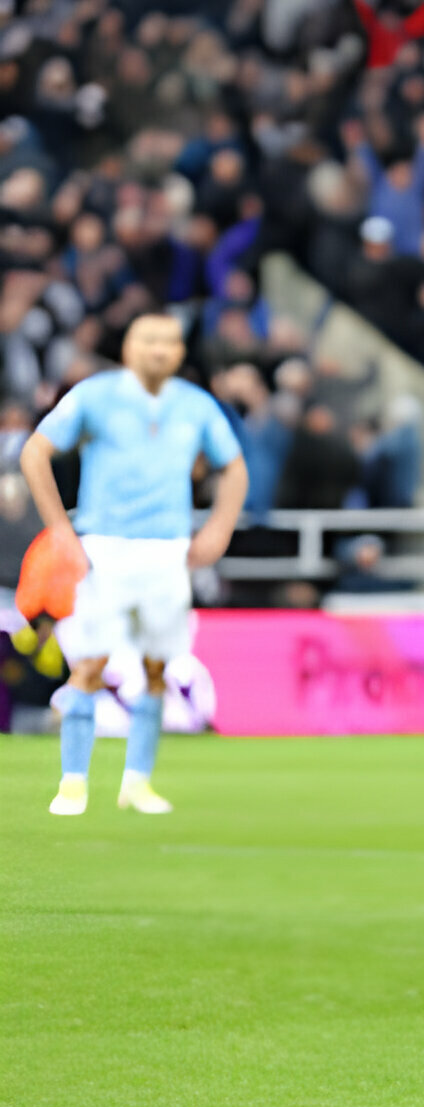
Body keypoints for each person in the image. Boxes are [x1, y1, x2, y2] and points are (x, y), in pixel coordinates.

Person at [18, 314, 247, 816]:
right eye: (149, 340)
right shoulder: (94, 396)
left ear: (180, 352)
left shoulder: (195, 405)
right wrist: (60, 530)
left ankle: (136, 782)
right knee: (90, 663)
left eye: (169, 342)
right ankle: (73, 783)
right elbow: (35, 451)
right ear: (128, 347)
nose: (159, 350)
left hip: (167, 550)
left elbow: (234, 467)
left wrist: (218, 530)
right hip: (106, 547)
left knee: (157, 668)